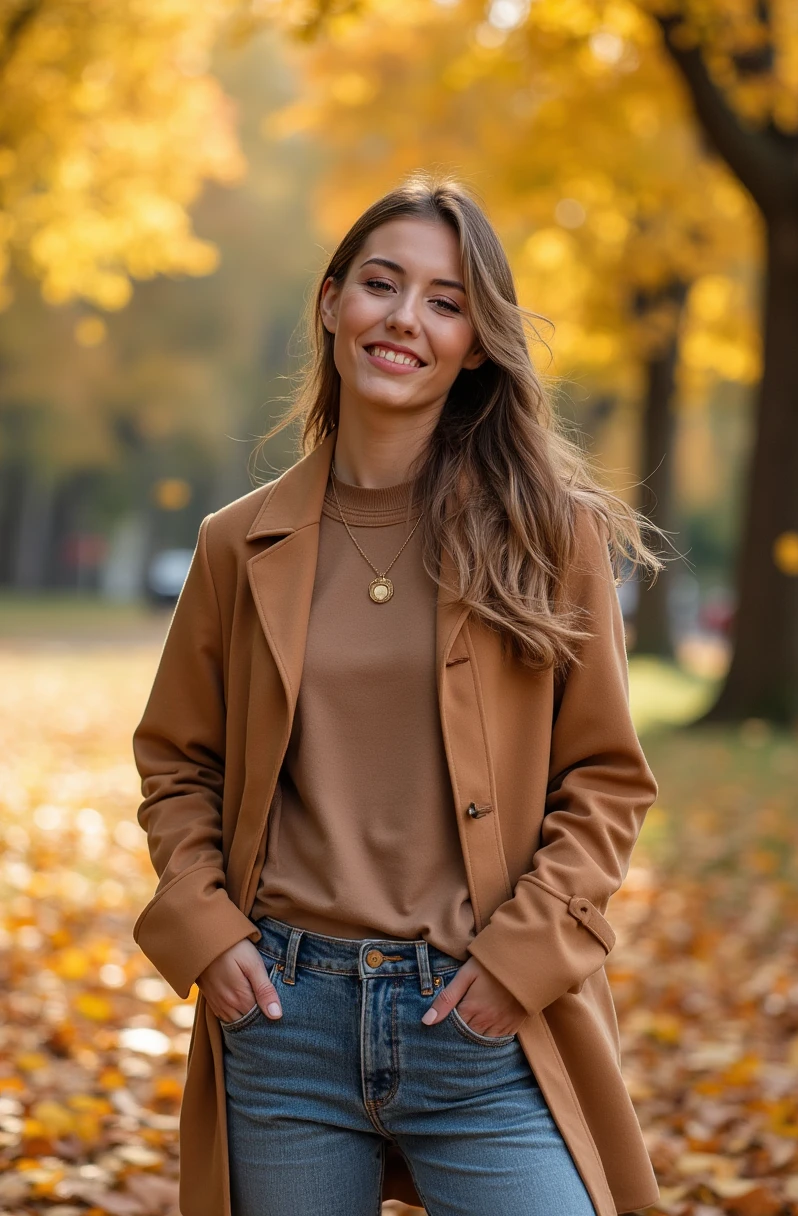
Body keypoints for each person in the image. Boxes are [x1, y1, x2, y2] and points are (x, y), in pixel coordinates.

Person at [132, 172, 667, 1216]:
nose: (404, 319)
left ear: (474, 343)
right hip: (283, 1020)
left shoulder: (548, 536)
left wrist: (520, 962)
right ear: (331, 302)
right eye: (381, 284)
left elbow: (604, 781)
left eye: (445, 300)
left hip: (482, 1017)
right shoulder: (237, 545)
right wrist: (206, 926)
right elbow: (177, 765)